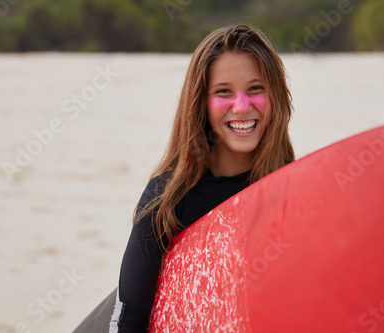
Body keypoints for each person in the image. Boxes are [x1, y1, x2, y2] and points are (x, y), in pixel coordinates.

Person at [73, 24, 294, 333]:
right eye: (223, 92)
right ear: (200, 103)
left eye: (256, 89)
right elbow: (129, 318)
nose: (242, 107)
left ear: (275, 98)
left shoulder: (293, 191)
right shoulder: (167, 200)